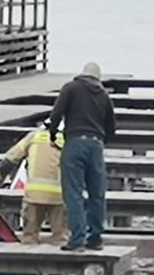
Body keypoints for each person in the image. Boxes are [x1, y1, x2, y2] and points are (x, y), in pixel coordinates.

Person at [48, 62, 116, 252]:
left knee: (73, 193)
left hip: (75, 143)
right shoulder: (104, 95)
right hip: (96, 145)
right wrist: (102, 140)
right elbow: (111, 127)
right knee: (97, 193)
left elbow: (56, 114)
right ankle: (95, 237)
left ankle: (77, 240)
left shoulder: (71, 88)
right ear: (98, 78)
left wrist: (53, 134)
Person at [0, 119, 67, 245]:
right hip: (59, 196)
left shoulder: (33, 137)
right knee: (61, 238)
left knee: (29, 238)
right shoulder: (67, 141)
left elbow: (10, 160)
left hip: (33, 195)